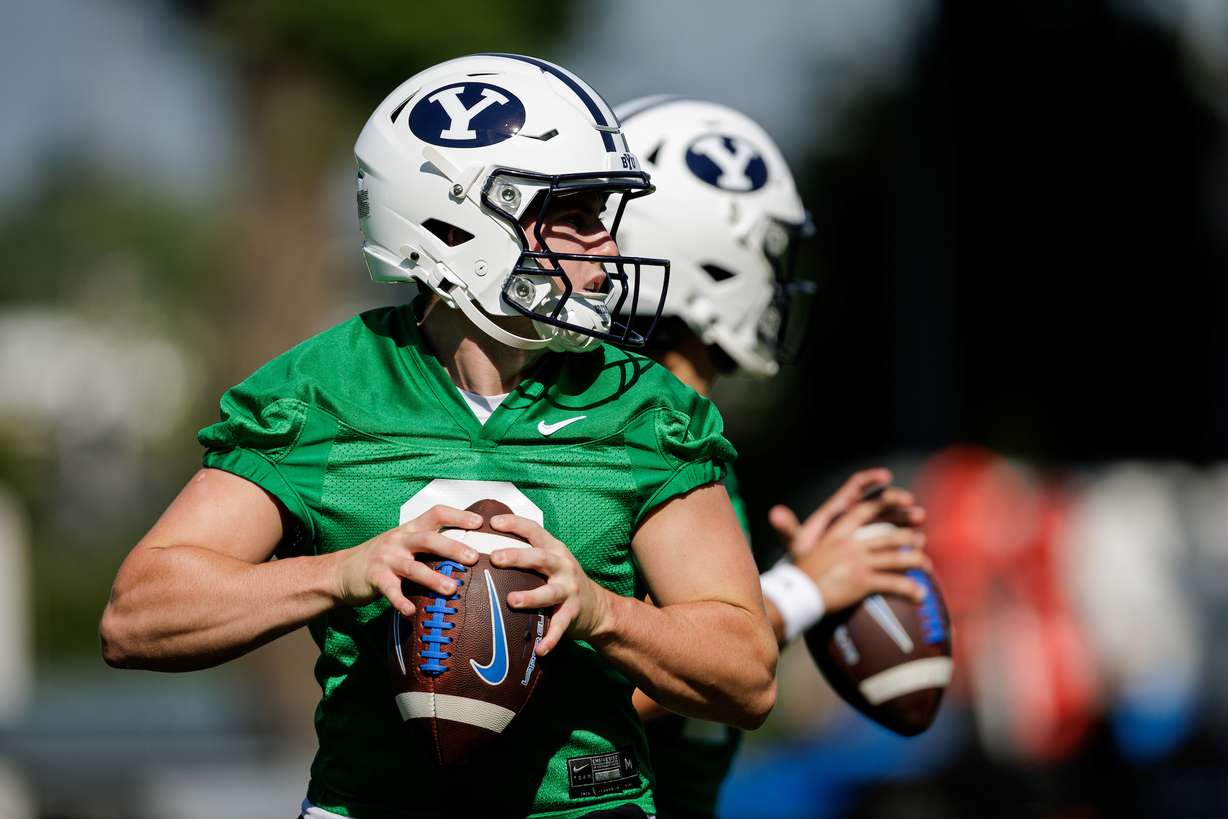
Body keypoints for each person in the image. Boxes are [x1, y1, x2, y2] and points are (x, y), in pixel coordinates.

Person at [98, 56, 780, 819]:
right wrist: (344, 572)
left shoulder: (643, 406)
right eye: (578, 215)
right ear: (461, 223)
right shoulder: (322, 391)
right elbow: (138, 615)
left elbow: (746, 674)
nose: (607, 249)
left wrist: (601, 612)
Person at [615, 97, 932, 818]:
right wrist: (796, 596)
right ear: (711, 256)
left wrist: (764, 588)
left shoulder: (675, 425)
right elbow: (571, 691)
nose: (778, 278)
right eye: (765, 249)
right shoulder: (630, 429)